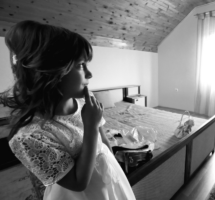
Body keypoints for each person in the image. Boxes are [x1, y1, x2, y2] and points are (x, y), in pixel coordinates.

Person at [1, 20, 136, 200]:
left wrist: (115, 171)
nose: (90, 74)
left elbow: (104, 144)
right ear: (50, 72)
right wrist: (90, 126)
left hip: (109, 183)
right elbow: (78, 183)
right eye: (81, 65)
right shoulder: (28, 137)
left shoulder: (85, 104)